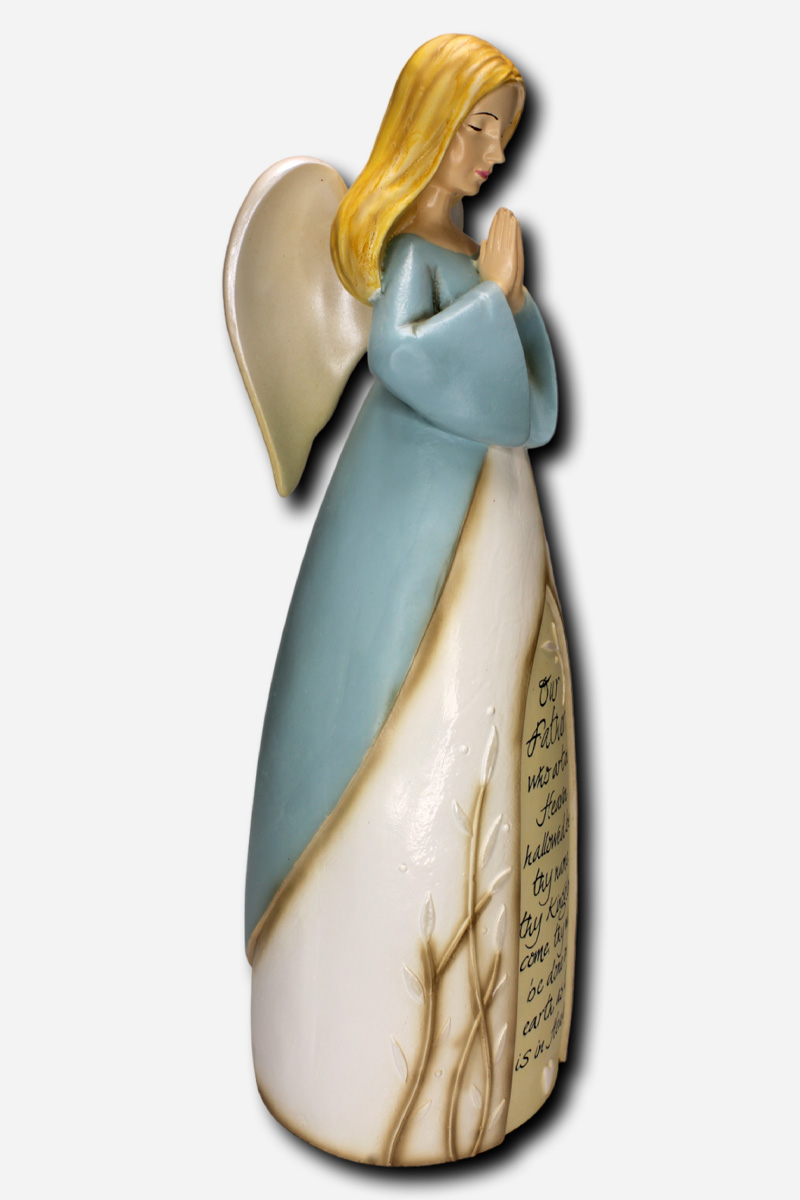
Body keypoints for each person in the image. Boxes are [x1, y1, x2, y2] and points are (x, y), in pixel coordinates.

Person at [242, 33, 576, 1165]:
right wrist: (494, 299)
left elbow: (533, 409)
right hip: (409, 522)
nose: (492, 152)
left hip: (491, 512)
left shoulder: (470, 250)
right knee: (391, 735)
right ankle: (354, 1057)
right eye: (476, 126)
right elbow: (404, 357)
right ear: (429, 125)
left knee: (484, 742)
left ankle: (482, 1058)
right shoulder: (404, 253)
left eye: (502, 132)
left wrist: (508, 299)